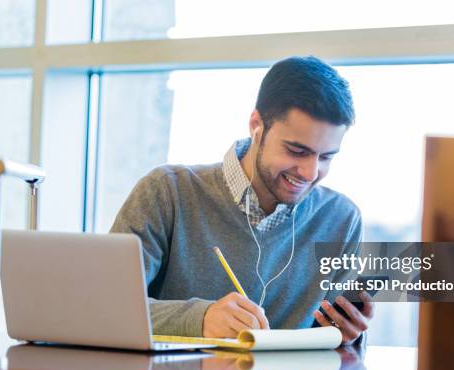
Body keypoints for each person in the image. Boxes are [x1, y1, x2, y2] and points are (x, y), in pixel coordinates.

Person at [110, 56, 374, 345]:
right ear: (256, 126)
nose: (310, 172)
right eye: (297, 151)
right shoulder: (167, 192)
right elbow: (105, 307)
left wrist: (348, 335)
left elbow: (332, 345)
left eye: (325, 157)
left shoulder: (341, 219)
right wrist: (201, 319)